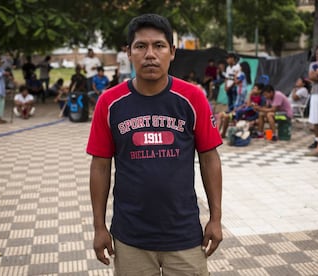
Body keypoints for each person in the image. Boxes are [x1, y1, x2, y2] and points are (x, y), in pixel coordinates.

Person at [87, 13, 223, 275]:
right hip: (130, 237)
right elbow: (100, 167)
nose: (150, 54)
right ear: (128, 52)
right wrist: (99, 227)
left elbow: (210, 158)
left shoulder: (192, 98)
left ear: (172, 52)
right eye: (141, 46)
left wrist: (215, 219)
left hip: (184, 234)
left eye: (159, 46)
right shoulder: (110, 103)